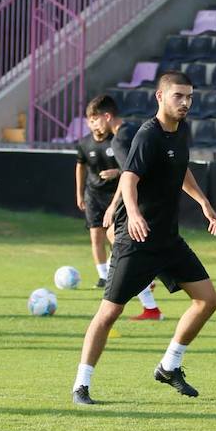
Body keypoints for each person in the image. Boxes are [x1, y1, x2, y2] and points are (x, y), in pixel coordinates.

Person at [72, 70, 216, 406]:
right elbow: (128, 180)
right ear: (160, 97)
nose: (185, 103)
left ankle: (169, 366)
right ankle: (81, 385)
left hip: (168, 240)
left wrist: (204, 204)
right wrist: (135, 214)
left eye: (189, 97)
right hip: (135, 240)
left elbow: (180, 168)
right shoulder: (147, 135)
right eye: (178, 97)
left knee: (207, 301)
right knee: (108, 313)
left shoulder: (181, 131)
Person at [77, 94, 160, 317]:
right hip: (155, 195)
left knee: (123, 246)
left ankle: (148, 294)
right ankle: (149, 296)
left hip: (140, 199)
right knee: (126, 243)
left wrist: (114, 206)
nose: (93, 124)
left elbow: (130, 175)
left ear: (107, 116)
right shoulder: (134, 130)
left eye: (95, 119)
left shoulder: (120, 139)